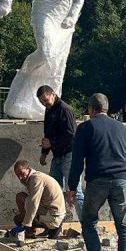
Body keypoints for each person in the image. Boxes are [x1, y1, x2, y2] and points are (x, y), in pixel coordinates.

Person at [67, 93, 126, 251]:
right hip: (121, 180)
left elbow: (77, 161)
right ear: (106, 108)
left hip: (97, 181)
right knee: (124, 228)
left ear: (91, 109)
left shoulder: (86, 128)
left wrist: (72, 187)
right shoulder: (121, 127)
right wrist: (125, 181)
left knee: (88, 222)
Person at [36, 85, 83, 217]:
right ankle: (55, 223)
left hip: (69, 154)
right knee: (53, 191)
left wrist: (52, 143)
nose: (44, 104)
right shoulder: (49, 110)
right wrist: (44, 153)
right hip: (57, 156)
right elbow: (48, 133)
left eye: (45, 100)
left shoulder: (64, 109)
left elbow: (72, 135)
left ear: (53, 94)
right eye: (41, 102)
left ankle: (87, 224)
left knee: (74, 191)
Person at [8, 160, 66, 240]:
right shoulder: (37, 177)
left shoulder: (36, 178)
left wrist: (26, 224)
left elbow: (33, 203)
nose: (20, 178)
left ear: (29, 169)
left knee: (20, 198)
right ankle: (49, 229)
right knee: (19, 218)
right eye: (18, 176)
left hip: (54, 217)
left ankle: (30, 231)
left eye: (22, 173)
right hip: (56, 215)